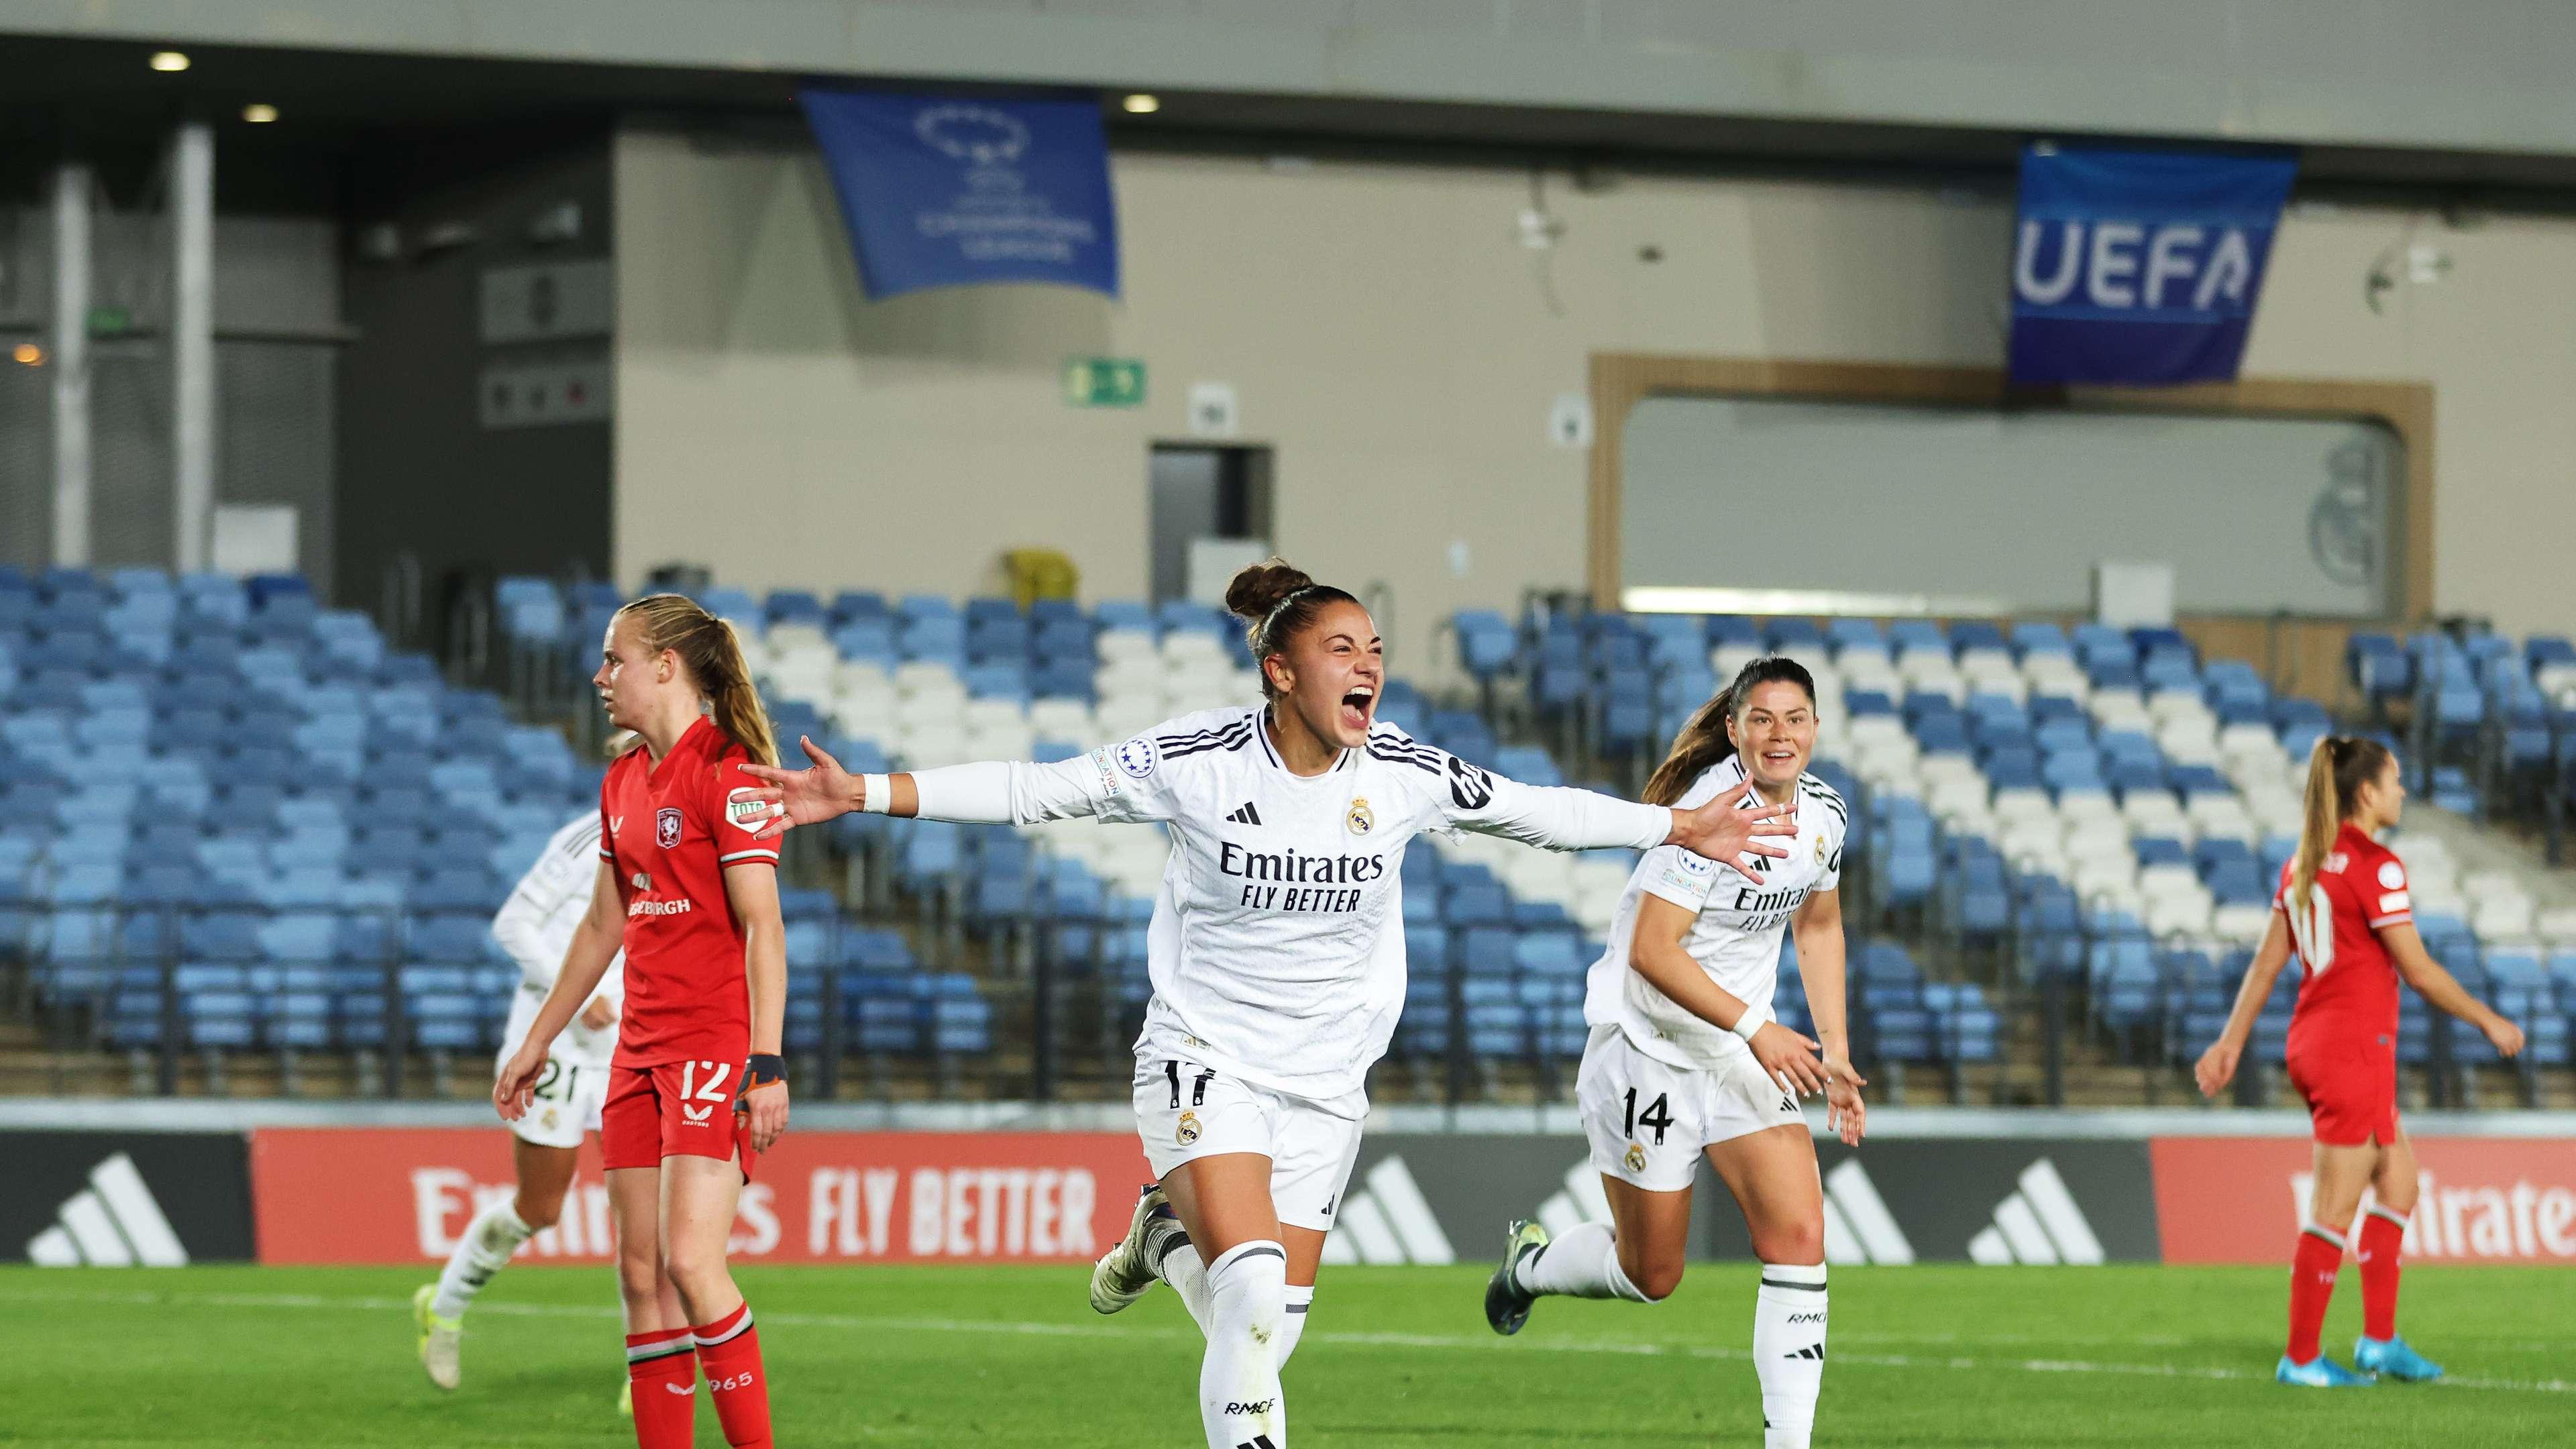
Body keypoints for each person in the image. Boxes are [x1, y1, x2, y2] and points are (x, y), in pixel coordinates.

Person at [741, 559, 1794, 1449]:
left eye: (1375, 648)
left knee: (1264, 1331)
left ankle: (1165, 1241)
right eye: (1345, 649)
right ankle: (1184, 1240)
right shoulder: (1195, 763)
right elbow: (1037, 790)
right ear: (1281, 670)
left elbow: (1537, 814)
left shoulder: (1402, 774)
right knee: (1248, 1304)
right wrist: (866, 791)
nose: (1370, 665)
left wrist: (1675, 830)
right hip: (1209, 1058)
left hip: (1328, 1085)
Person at [1481, 656, 1864, 1449]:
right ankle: (1530, 1268)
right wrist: (1758, 1029)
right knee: (1651, 1276)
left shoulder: (1826, 816)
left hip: (1733, 1053)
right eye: (1761, 719)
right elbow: (1654, 952)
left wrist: (1834, 1052)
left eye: (1795, 719)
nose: (1780, 735)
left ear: (1817, 729)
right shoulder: (1707, 812)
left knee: (1799, 1237)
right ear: (1734, 729)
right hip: (1647, 1050)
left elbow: (1818, 924)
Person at [496, 594, 794, 1449]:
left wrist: (765, 1062)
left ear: (665, 666)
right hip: (634, 1055)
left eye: (614, 659)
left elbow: (763, 926)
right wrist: (539, 1039)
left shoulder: (730, 774)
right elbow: (602, 925)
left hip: (710, 1049)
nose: (601, 676)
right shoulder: (623, 779)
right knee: (639, 1277)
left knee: (693, 1265)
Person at [2195, 735, 2523, 1388]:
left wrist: (2231, 1040)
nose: (2403, 791)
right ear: (2367, 792)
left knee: (2399, 1184)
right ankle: (2303, 1357)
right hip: (2351, 1051)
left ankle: (2378, 1343)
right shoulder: (2378, 866)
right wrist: (2488, 1018)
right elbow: (2420, 970)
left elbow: (2267, 962)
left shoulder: (2304, 865)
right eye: (2395, 780)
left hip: (2319, 1044)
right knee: (2335, 1210)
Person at [415, 733, 636, 1399]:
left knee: (643, 1219)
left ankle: (649, 1367)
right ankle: (443, 1306)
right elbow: (513, 924)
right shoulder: (585, 839)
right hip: (563, 1048)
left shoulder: (684, 841)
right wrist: (579, 992)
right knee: (541, 1207)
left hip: (632, 1051)